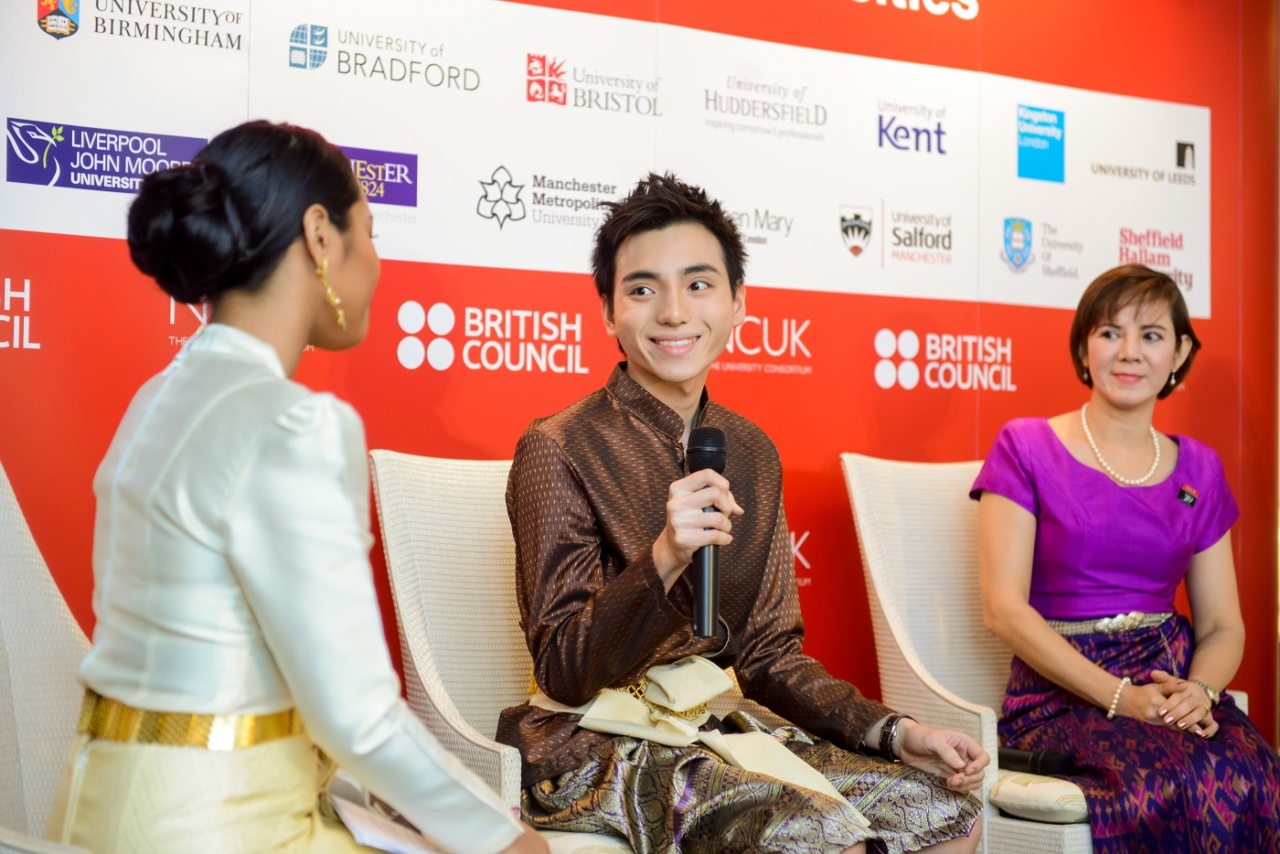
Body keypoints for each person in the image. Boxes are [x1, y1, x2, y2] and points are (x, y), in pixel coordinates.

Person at [45, 120, 546, 854]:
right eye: (369, 232)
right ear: (319, 235)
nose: (377, 263)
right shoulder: (294, 425)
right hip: (224, 829)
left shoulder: (155, 400)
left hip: (92, 816)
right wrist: (502, 837)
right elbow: (357, 716)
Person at [496, 173, 987, 854]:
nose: (674, 313)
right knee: (819, 837)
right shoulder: (559, 445)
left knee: (947, 816)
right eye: (643, 290)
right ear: (608, 312)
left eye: (698, 284)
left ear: (737, 303)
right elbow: (563, 670)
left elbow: (768, 654)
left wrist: (896, 733)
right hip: (596, 745)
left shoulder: (750, 450)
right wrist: (664, 558)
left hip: (714, 732)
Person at [971, 264, 1280, 851]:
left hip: (1169, 684)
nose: (1129, 352)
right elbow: (1002, 610)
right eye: (1110, 332)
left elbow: (1223, 624)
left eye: (1151, 335)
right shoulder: (1025, 446)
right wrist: (1121, 697)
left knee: (1255, 775)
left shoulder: (1201, 467)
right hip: (1060, 694)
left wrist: (1200, 692)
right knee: (1165, 783)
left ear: (1179, 352)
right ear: (1084, 348)